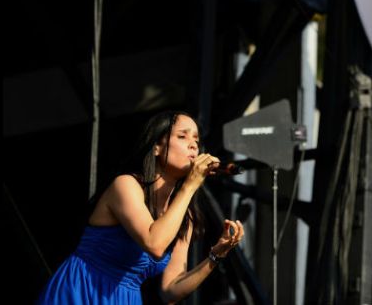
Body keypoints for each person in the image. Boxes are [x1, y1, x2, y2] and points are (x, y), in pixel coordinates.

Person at [36, 110, 245, 304]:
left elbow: (170, 291)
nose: (193, 145)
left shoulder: (184, 214)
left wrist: (216, 256)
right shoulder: (126, 185)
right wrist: (190, 186)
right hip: (83, 289)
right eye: (183, 136)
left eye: (196, 140)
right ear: (156, 147)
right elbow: (154, 243)